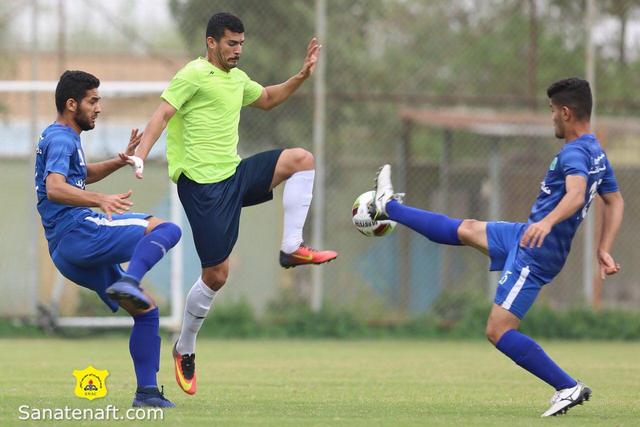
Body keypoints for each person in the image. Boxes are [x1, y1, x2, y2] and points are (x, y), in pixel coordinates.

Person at [368, 78, 624, 417]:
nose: (551, 119)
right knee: (467, 229)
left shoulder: (575, 152)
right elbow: (615, 200)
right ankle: (389, 207)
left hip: (536, 250)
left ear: (566, 112)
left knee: (497, 330)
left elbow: (577, 196)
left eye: (552, 112)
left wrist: (547, 224)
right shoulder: (595, 151)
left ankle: (567, 386)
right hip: (525, 236)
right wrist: (604, 247)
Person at [129, 12, 338, 395]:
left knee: (301, 160)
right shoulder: (193, 74)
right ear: (212, 43)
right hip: (202, 187)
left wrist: (301, 76)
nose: (238, 50)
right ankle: (185, 347)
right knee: (217, 275)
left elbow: (270, 98)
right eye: (231, 44)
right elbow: (162, 114)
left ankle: (291, 247)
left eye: (241, 44)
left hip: (234, 175)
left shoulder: (237, 80)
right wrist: (141, 152)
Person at [35, 70, 182, 407]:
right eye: (93, 100)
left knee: (146, 311)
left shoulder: (62, 137)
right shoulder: (61, 138)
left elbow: (78, 175)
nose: (98, 107)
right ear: (72, 104)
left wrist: (118, 161)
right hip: (80, 232)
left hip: (65, 251)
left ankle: (146, 393)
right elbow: (56, 188)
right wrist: (99, 200)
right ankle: (130, 279)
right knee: (167, 229)